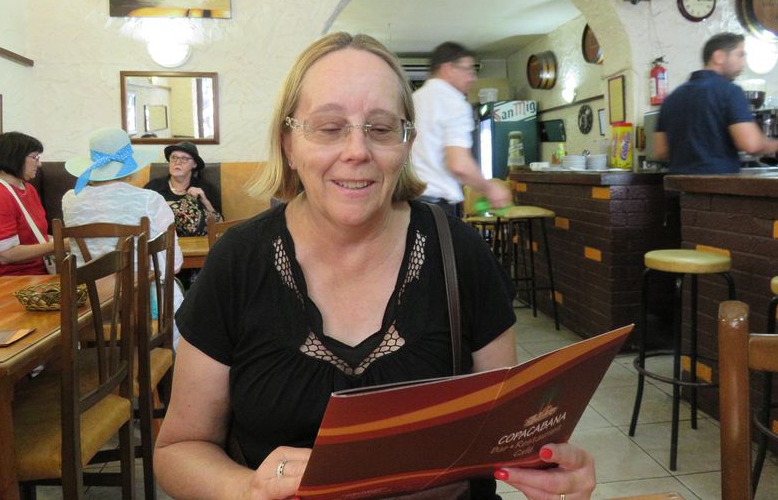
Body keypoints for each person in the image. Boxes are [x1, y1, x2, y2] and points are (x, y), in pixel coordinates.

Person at [154, 32, 596, 500]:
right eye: (329, 127)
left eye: (381, 129)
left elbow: (503, 438)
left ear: (406, 143)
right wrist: (246, 490)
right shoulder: (239, 260)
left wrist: (551, 469)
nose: (357, 151)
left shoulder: (460, 254)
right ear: (288, 143)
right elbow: (180, 447)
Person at [62, 127, 184, 347]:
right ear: (129, 166)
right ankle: (165, 368)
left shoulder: (70, 200)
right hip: (141, 304)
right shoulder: (149, 199)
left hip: (89, 303)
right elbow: (173, 264)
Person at [653, 32, 778, 174]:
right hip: (718, 189)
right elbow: (751, 145)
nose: (743, 63)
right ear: (719, 57)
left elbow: (661, 151)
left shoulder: (672, 98)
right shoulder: (729, 91)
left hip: (678, 189)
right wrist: (777, 145)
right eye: (740, 55)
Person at [410, 42, 511, 215]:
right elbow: (458, 164)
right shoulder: (454, 103)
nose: (473, 78)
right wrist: (490, 188)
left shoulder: (413, 99)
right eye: (469, 70)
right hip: (435, 206)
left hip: (406, 201)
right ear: (449, 69)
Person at [0, 132, 58, 278]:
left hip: (38, 272)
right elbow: (5, 255)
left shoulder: (29, 189)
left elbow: (37, 236)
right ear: (15, 157)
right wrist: (59, 244)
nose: (39, 164)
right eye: (34, 157)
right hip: (10, 278)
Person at [145, 141, 223, 237]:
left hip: (196, 246)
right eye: (174, 158)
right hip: (161, 244)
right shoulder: (154, 187)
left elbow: (220, 225)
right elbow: (139, 217)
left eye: (184, 159)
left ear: (194, 164)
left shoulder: (205, 188)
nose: (177, 162)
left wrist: (206, 202)